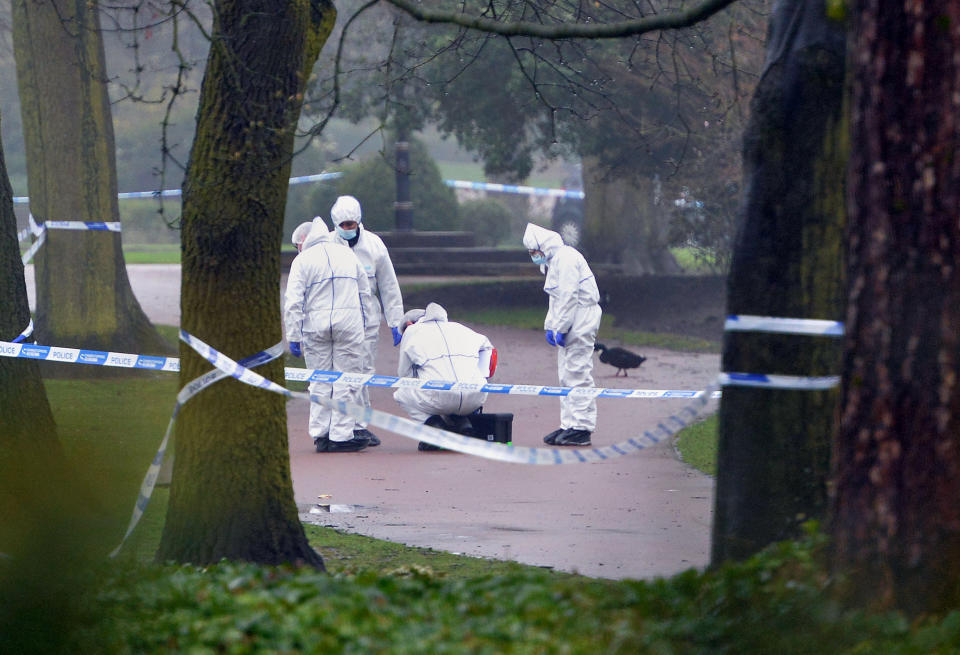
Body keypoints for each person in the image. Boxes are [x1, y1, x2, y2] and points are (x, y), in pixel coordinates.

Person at [284, 227, 377, 453]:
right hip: (349, 324)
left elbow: (293, 300)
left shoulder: (303, 261)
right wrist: (366, 328)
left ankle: (321, 434)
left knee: (319, 380)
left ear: (304, 240)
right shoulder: (348, 255)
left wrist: (293, 335)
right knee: (347, 379)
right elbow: (365, 295)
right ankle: (341, 435)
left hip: (315, 326)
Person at [328, 195, 404, 447]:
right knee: (338, 373)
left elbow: (388, 285)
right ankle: (338, 423)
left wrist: (396, 321)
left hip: (367, 319)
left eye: (351, 224)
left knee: (363, 372)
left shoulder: (374, 246)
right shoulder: (327, 244)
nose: (347, 229)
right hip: (338, 318)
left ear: (359, 221)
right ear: (336, 224)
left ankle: (359, 425)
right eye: (343, 225)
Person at [522, 222, 602, 446]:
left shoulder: (566, 258)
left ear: (543, 247)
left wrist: (562, 328)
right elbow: (555, 300)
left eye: (534, 252)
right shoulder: (554, 261)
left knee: (578, 372)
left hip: (582, 316)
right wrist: (551, 326)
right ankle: (569, 425)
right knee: (565, 374)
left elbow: (568, 297)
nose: (533, 256)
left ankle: (582, 427)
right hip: (573, 317)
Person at [393, 303, 497, 451]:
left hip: (440, 398)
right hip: (475, 397)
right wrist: (482, 379)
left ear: (409, 324)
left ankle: (433, 428)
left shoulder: (412, 332)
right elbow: (489, 350)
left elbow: (404, 375)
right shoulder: (461, 328)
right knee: (447, 390)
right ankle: (462, 422)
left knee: (402, 393)